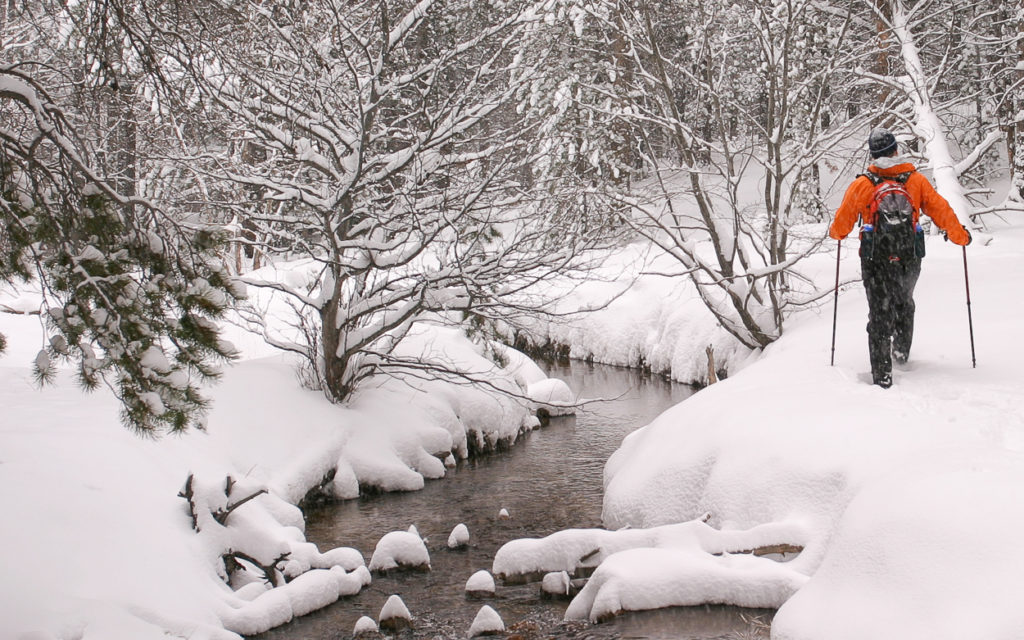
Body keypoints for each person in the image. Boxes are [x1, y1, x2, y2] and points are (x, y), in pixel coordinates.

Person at [829, 127, 971, 388]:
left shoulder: (862, 184)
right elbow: (940, 208)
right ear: (896, 150)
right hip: (909, 256)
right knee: (904, 301)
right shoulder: (915, 181)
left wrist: (837, 233)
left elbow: (840, 227)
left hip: (875, 258)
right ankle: (901, 353)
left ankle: (883, 376)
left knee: (879, 312)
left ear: (872, 155)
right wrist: (960, 235)